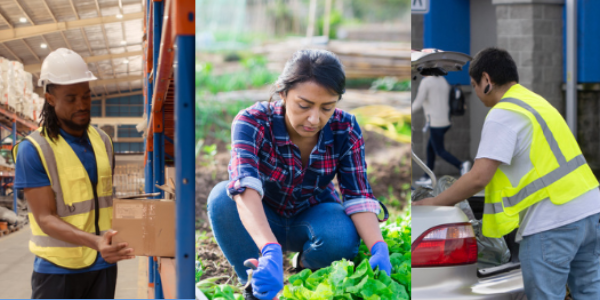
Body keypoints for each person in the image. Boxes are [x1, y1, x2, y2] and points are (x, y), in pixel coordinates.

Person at [414, 47, 600, 300]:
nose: (477, 93)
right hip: (589, 211)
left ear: (487, 81)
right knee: (590, 292)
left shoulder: (502, 114)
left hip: (553, 221)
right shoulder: (534, 101)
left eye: (474, 85)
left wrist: (433, 202)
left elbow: (479, 176)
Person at [207, 49, 392, 300]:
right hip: (263, 216)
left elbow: (357, 195)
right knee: (221, 198)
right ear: (283, 94)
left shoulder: (345, 128)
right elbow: (245, 186)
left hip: (312, 216)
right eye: (304, 105)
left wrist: (378, 248)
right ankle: (256, 281)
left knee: (340, 233)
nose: (314, 118)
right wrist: (270, 249)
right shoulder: (253, 121)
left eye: (327, 107)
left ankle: (306, 266)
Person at [12, 48, 134, 299]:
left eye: (87, 97)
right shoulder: (34, 149)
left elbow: (105, 202)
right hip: (58, 271)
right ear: (50, 98)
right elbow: (45, 218)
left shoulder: (103, 141)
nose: (82, 105)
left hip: (103, 265)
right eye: (71, 98)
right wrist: (96, 242)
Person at [413, 74, 470, 186]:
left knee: (439, 150)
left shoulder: (426, 82)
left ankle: (461, 164)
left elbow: (418, 103)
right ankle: (428, 176)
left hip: (435, 122)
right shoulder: (443, 80)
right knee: (430, 148)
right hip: (446, 121)